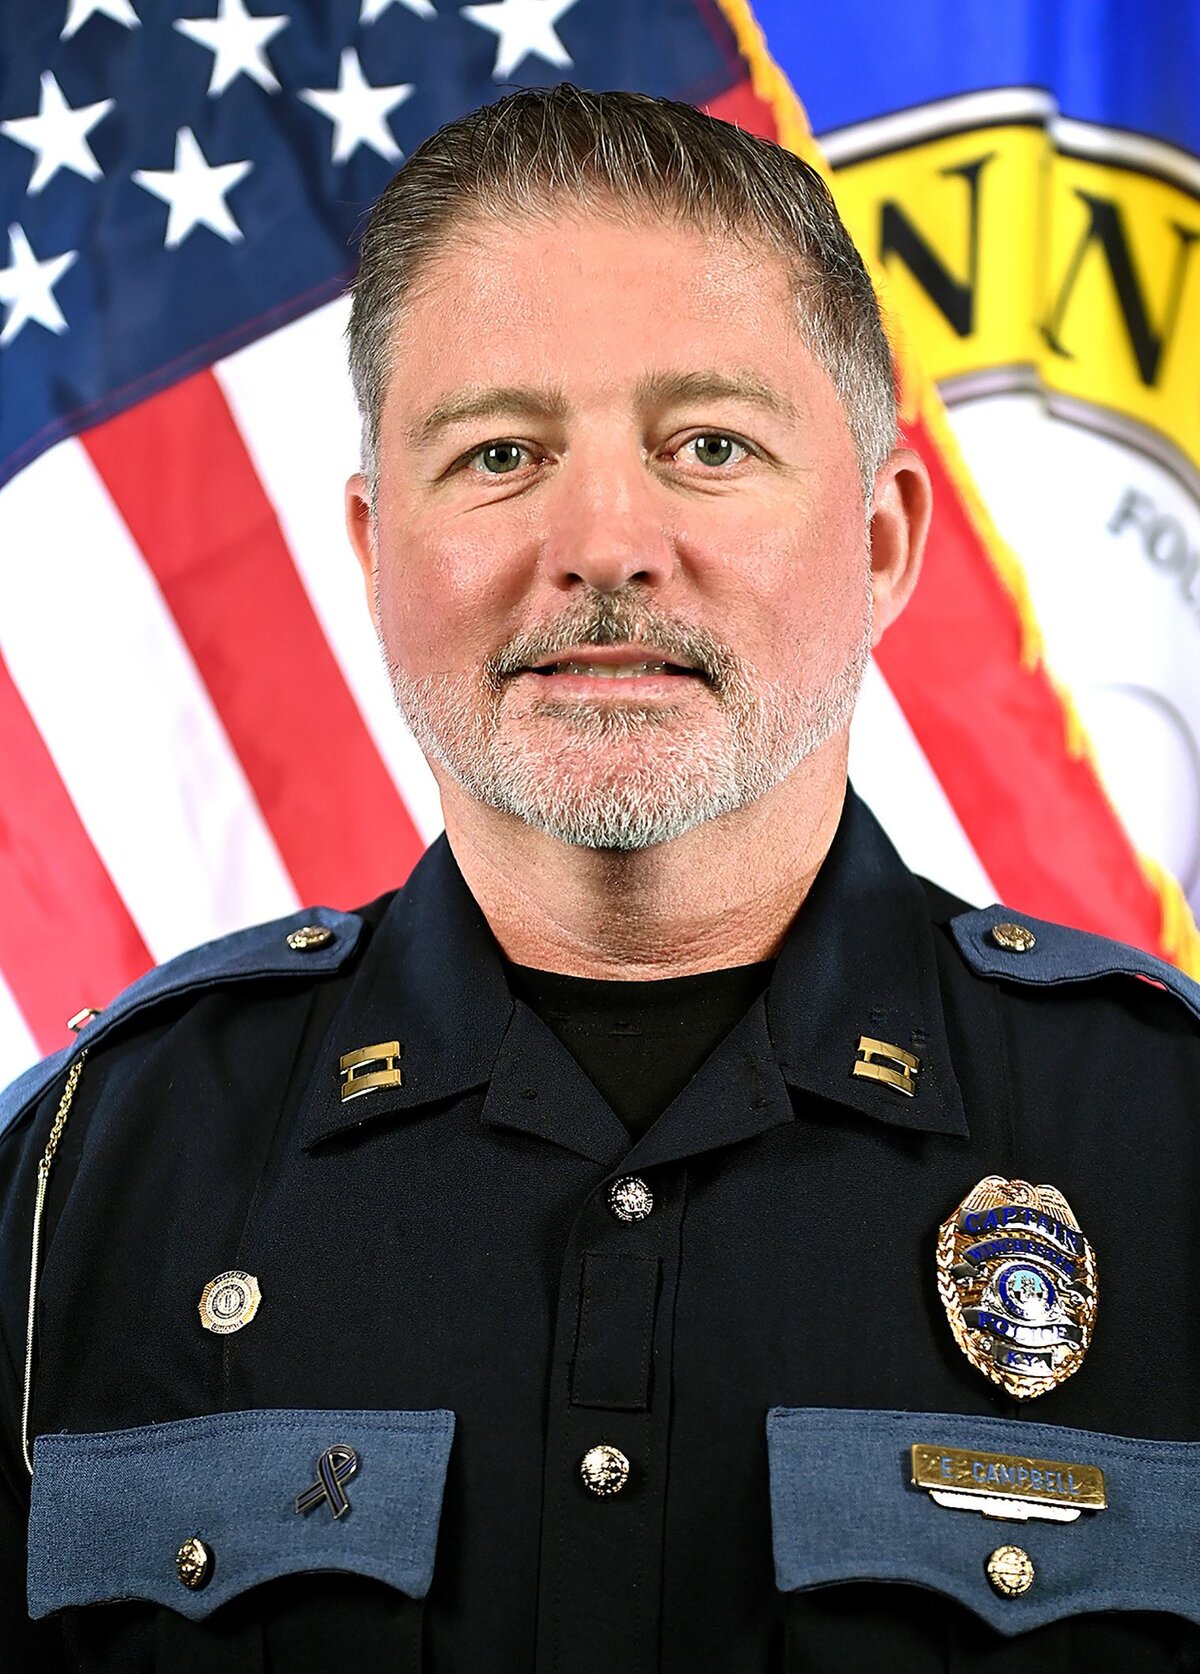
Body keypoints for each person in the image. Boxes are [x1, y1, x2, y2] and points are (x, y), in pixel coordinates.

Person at [2, 84, 1198, 1674]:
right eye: (502, 452)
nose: (606, 543)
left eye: (709, 445)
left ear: (882, 541)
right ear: (373, 549)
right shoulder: (84, 1173)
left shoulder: (1171, 1138)